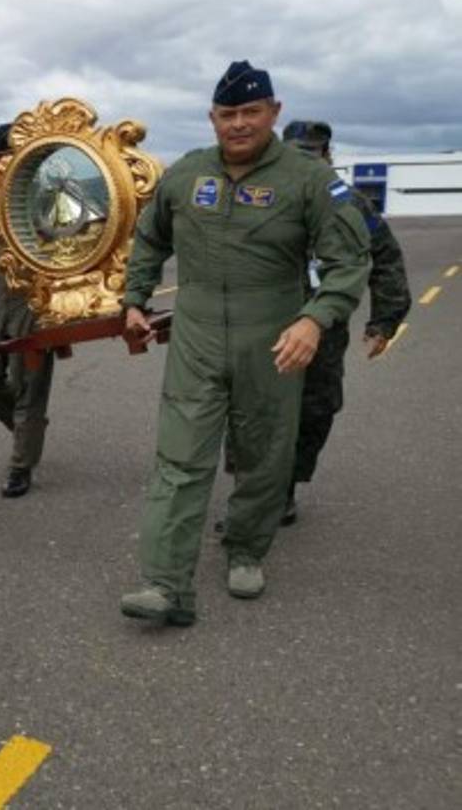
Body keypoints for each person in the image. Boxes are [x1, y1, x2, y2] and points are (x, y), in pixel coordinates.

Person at [118, 61, 371, 626]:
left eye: (250, 112)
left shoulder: (308, 180)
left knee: (263, 456)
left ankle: (247, 549)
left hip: (274, 337)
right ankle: (165, 585)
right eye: (227, 114)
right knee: (178, 459)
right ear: (212, 118)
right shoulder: (185, 175)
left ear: (273, 113)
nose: (238, 124)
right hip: (197, 334)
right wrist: (134, 297)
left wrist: (315, 319)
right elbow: (149, 238)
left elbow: (349, 261)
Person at [275, 120, 413, 523]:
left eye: (312, 154)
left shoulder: (349, 201)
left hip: (325, 327)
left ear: (327, 156)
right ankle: (258, 493)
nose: (304, 163)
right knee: (251, 410)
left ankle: (285, 485)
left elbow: (385, 257)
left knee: (316, 408)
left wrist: (385, 319)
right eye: (295, 154)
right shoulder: (262, 196)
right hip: (261, 320)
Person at [0, 123, 55, 498]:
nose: (6, 163)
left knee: (28, 387)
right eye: (1, 157)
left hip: (32, 306)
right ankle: (29, 430)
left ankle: (22, 465)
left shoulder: (46, 201)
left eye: (12, 156)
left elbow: (77, 246)